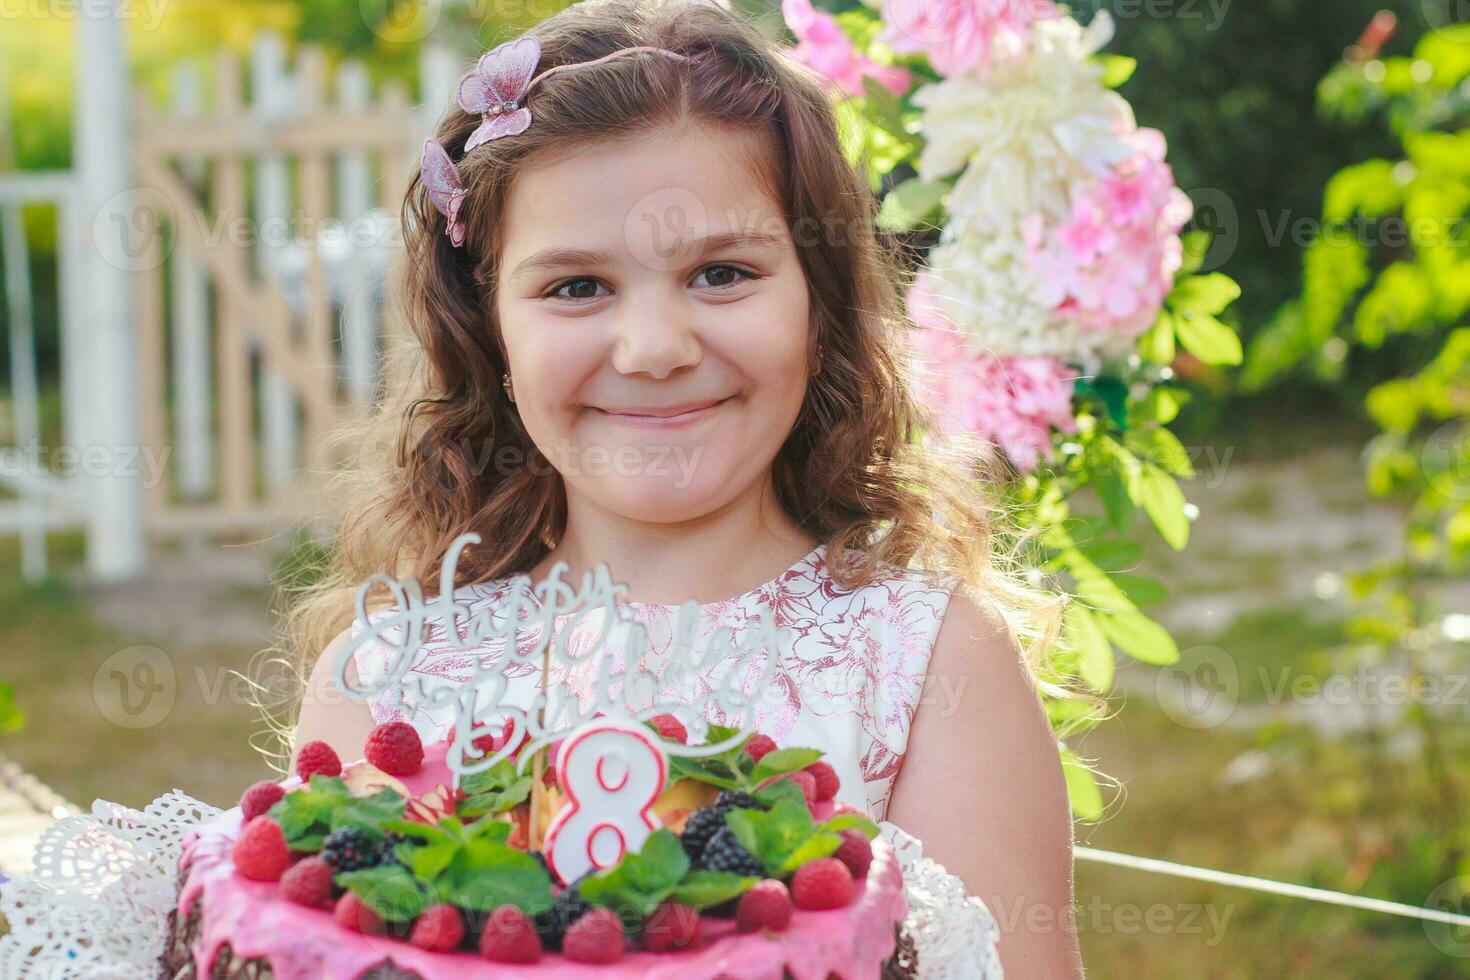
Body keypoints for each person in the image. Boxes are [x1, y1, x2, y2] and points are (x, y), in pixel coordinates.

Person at [286, 0, 1083, 973]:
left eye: (722, 272)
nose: (656, 348)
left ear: (817, 305)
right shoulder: (384, 683)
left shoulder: (927, 670)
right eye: (576, 286)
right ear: (489, 331)